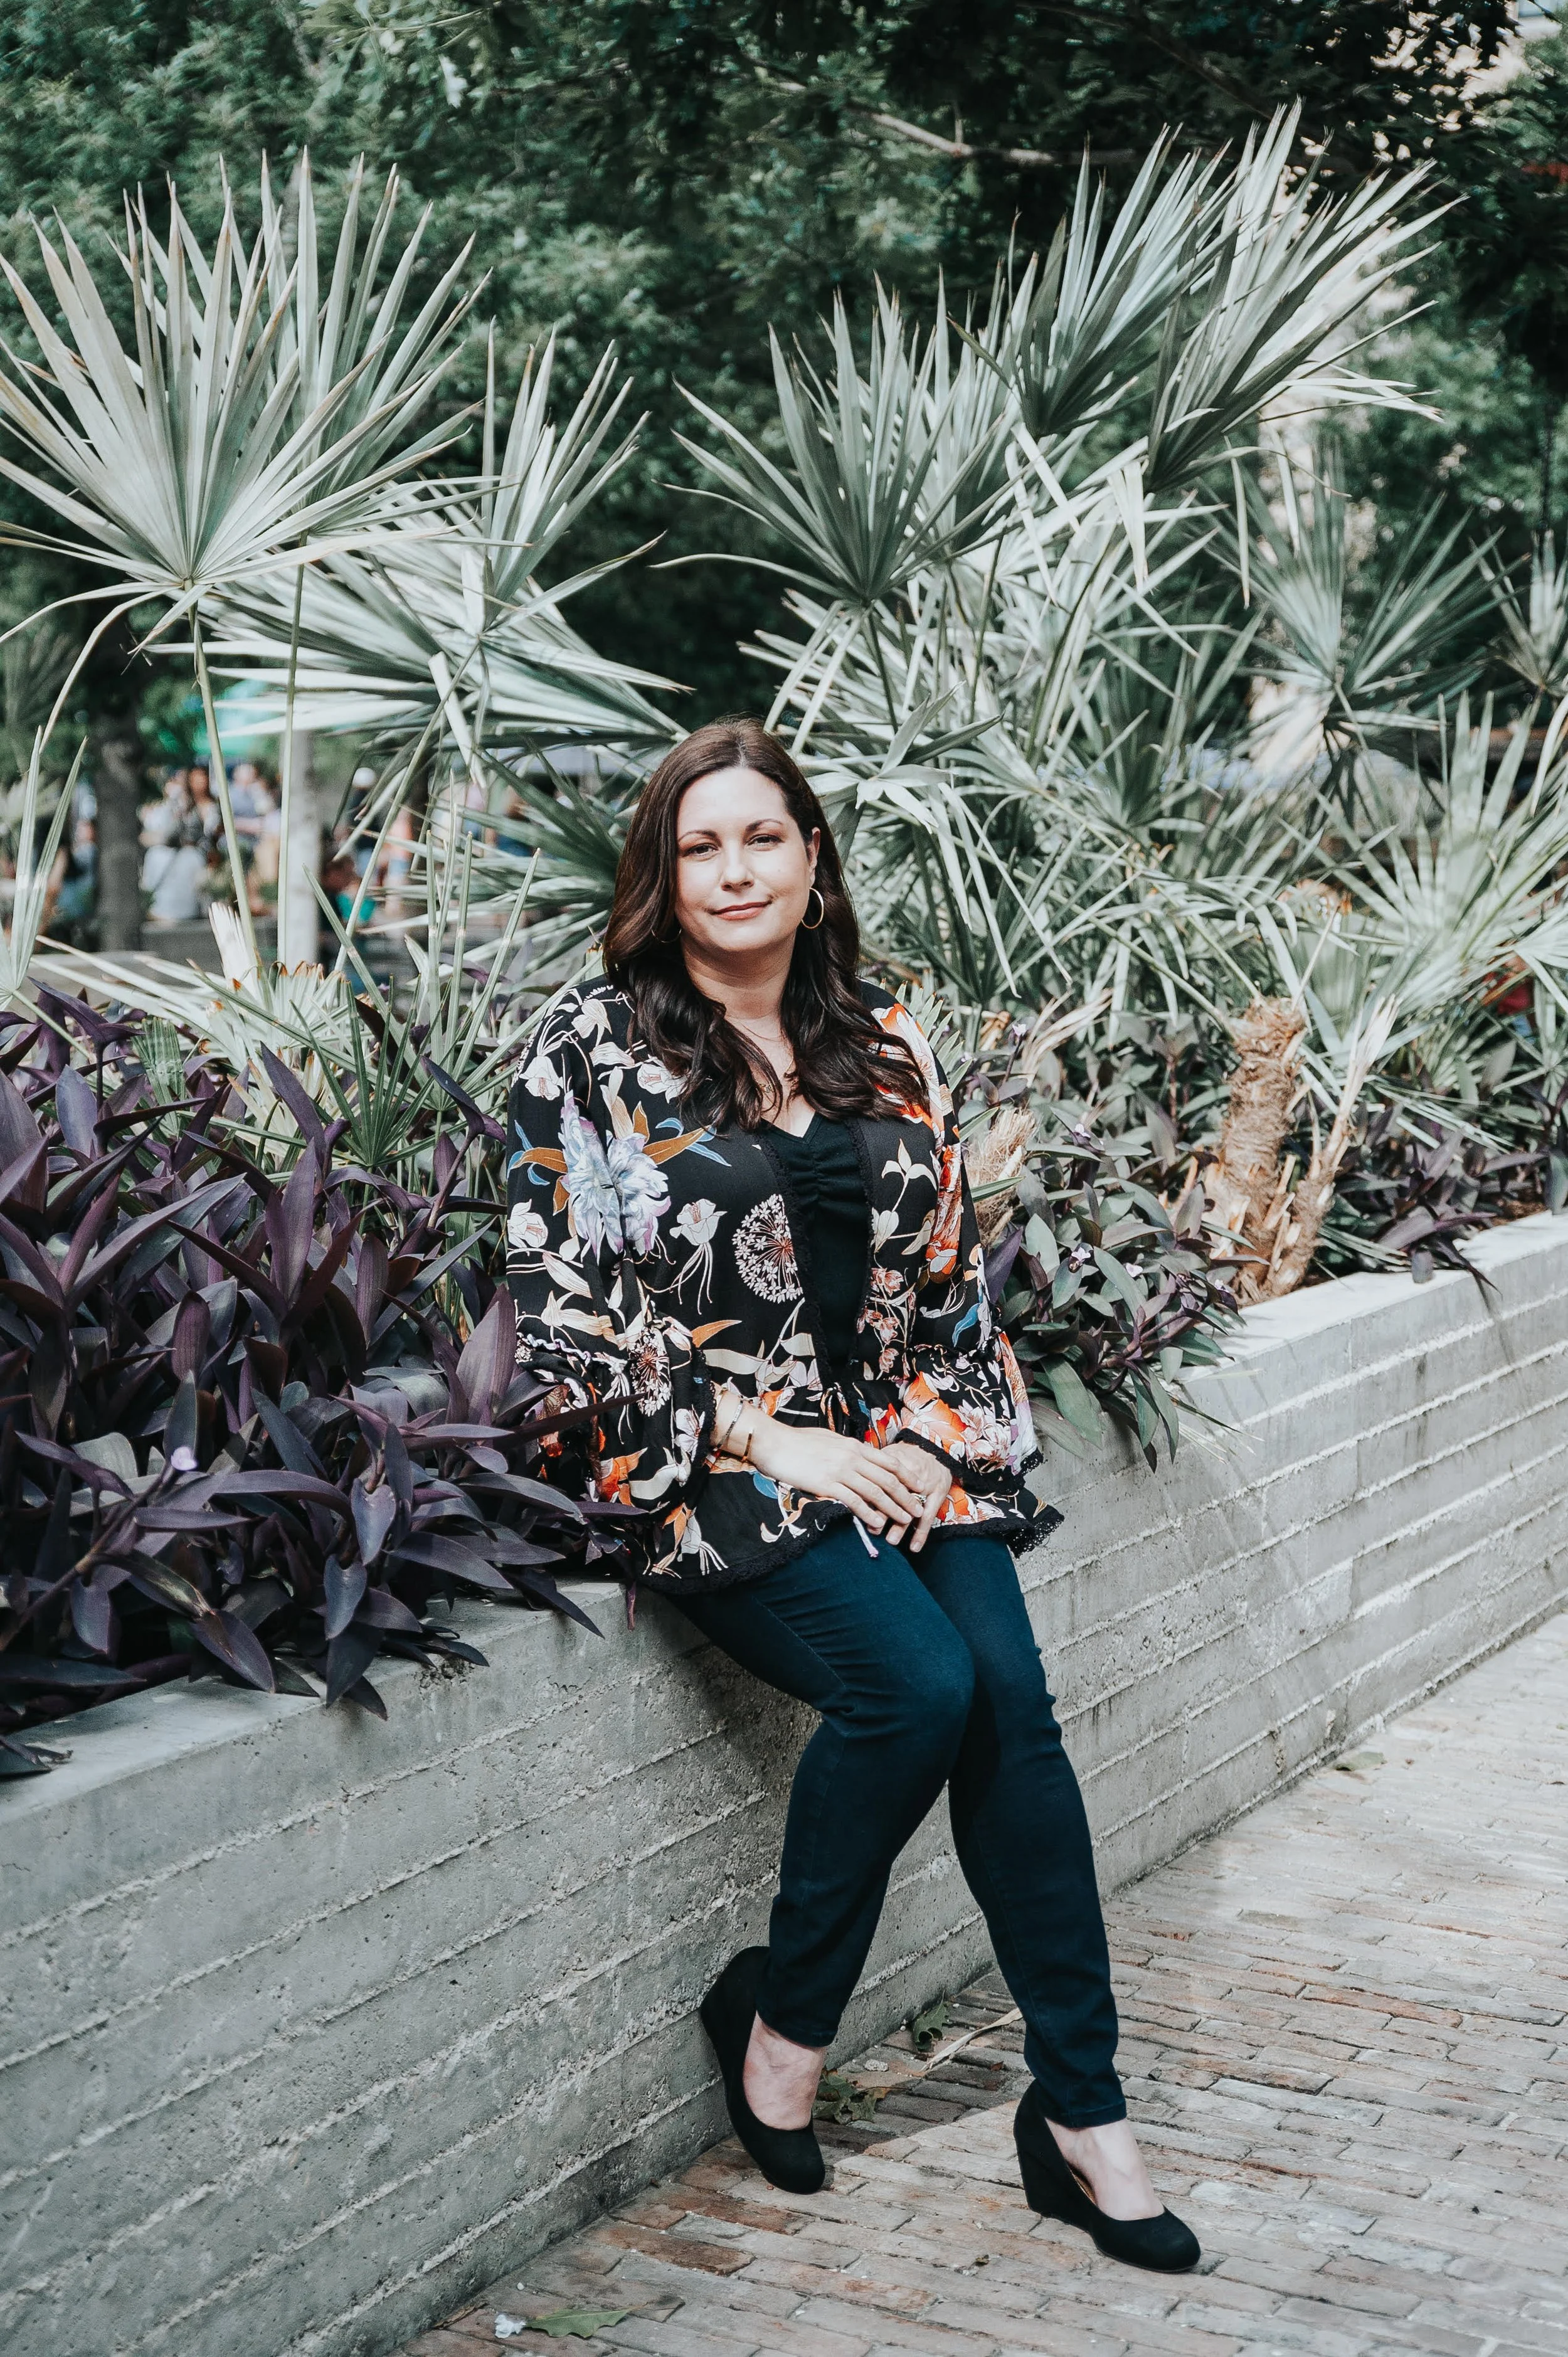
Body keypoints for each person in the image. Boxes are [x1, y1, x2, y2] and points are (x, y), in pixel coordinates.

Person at [506, 719, 1200, 2274]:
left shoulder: (884, 1031)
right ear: (661, 875)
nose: (734, 869)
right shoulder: (590, 1050)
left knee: (1009, 1703)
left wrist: (942, 1444)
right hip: (705, 1468)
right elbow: (556, 1323)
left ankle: (1080, 2116)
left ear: (813, 859)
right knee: (915, 1685)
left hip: (901, 1444)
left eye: (763, 838)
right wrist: (772, 1440)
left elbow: (948, 1285)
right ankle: (783, 2015)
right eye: (700, 846)